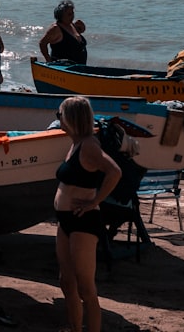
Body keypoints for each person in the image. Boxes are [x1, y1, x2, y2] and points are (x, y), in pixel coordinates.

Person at [54, 95, 122, 332]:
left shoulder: (89, 145)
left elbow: (114, 172)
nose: (57, 119)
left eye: (59, 115)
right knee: (66, 281)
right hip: (65, 221)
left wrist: (95, 201)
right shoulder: (75, 143)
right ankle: (75, 328)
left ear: (71, 118)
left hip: (83, 222)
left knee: (86, 288)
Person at [39, 0, 88, 64]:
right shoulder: (55, 28)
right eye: (69, 14)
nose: (72, 16)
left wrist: (82, 28)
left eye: (73, 13)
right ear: (61, 15)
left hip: (78, 68)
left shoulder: (72, 25)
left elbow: (76, 39)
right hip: (62, 68)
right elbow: (42, 43)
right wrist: (48, 60)